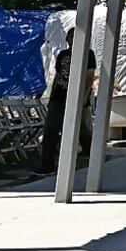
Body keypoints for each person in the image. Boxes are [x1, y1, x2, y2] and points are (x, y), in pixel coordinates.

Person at [35, 28, 96, 175]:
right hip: (59, 97)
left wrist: (82, 99)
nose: (72, 40)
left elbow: (89, 78)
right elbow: (58, 76)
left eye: (76, 37)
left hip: (77, 98)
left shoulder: (88, 54)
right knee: (50, 131)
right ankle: (47, 166)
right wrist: (51, 96)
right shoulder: (63, 55)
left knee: (83, 132)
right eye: (71, 37)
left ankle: (95, 161)